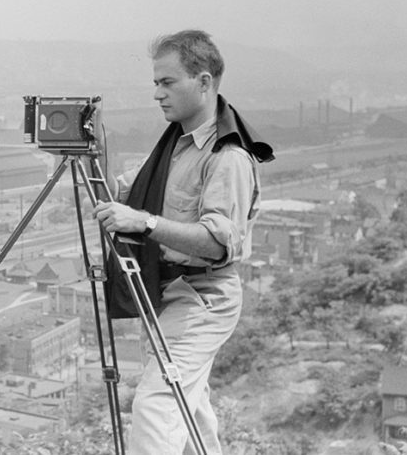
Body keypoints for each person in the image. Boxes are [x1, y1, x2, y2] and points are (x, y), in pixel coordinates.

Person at [93, 29, 273, 454]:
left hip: (203, 296)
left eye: (167, 82)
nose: (157, 93)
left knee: (157, 404)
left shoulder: (227, 157)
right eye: (155, 82)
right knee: (190, 410)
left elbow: (217, 242)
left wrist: (145, 222)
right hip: (167, 292)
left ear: (205, 82)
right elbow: (119, 197)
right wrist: (90, 147)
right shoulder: (175, 146)